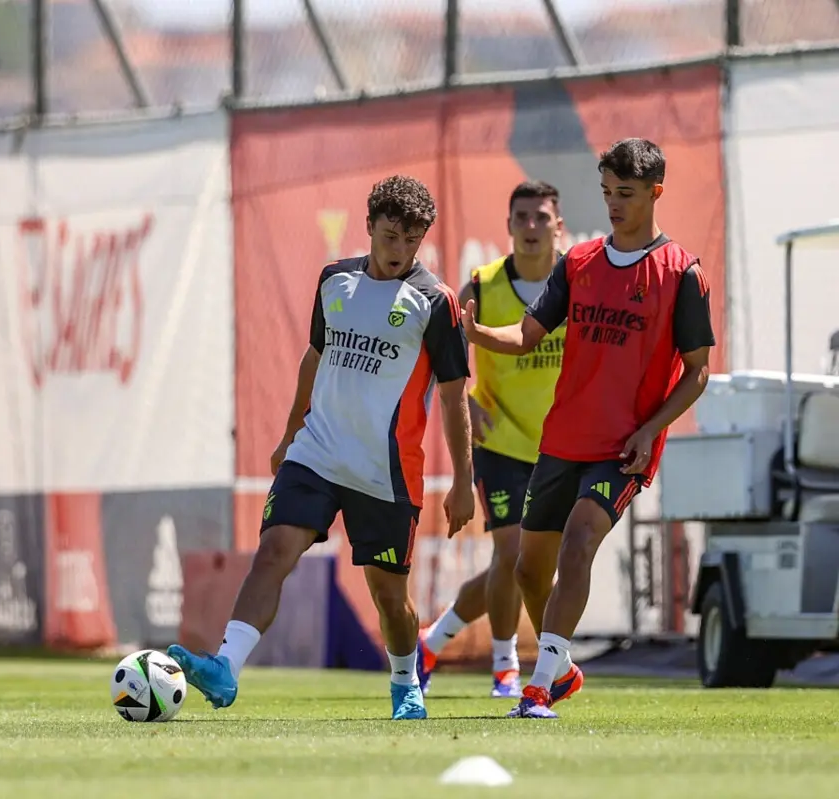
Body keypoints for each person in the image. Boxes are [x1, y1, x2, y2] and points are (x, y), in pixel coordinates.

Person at [167, 175, 476, 721]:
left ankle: (405, 682)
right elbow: (315, 357)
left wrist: (463, 482)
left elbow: (454, 396)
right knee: (273, 552)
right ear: (369, 227)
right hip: (316, 454)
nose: (399, 250)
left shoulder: (435, 302)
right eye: (390, 236)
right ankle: (225, 667)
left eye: (411, 240)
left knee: (389, 598)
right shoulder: (335, 280)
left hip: (384, 472)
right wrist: (290, 435)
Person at [462, 138, 715, 719]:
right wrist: (479, 335)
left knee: (579, 542)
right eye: (606, 192)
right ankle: (564, 669)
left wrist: (651, 430)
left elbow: (697, 371)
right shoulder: (577, 262)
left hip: (622, 448)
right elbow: (527, 335)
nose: (613, 204)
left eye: (625, 193)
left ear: (655, 192)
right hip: (562, 441)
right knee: (529, 571)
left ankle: (536, 688)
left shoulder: (681, 273)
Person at [416, 181, 566, 700]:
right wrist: (467, 400)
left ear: (558, 226)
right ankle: (507, 667)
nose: (531, 227)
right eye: (522, 217)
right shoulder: (481, 286)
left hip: (561, 447)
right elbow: (439, 352)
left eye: (541, 217)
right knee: (512, 553)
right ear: (508, 226)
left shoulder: (577, 282)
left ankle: (432, 641)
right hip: (499, 442)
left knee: (528, 566)